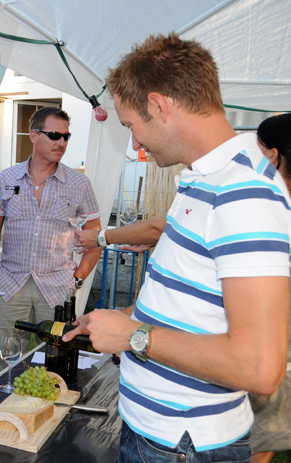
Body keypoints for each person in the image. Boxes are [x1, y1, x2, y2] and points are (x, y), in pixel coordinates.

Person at [63, 33, 291, 463]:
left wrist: (134, 336)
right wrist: (125, 316)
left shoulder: (245, 193)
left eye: (131, 126)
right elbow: (192, 305)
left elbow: (259, 366)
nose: (135, 144)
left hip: (182, 447)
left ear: (160, 106)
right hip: (160, 436)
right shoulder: (204, 179)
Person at [0, 106, 102, 372]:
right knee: (7, 364)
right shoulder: (7, 178)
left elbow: (97, 239)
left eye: (66, 137)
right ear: (34, 135)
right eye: (54, 135)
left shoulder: (79, 184)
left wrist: (77, 280)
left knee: (57, 365)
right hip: (11, 285)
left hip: (58, 288)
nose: (61, 142)